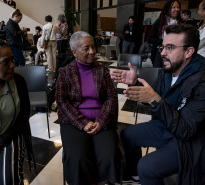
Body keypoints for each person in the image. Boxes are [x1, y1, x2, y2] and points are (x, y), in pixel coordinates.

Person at [111, 24, 205, 185]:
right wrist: (135, 83)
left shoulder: (201, 81)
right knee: (127, 135)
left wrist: (155, 99)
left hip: (188, 141)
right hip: (165, 125)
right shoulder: (168, 69)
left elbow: (186, 130)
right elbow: (153, 96)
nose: (162, 53)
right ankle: (134, 177)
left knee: (147, 167)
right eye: (163, 47)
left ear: (189, 52)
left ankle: (143, 174)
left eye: (170, 48)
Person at [55, 31, 119, 185]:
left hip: (100, 119)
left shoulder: (102, 70)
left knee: (109, 154)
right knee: (78, 157)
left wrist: (101, 121)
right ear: (74, 52)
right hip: (74, 121)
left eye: (93, 47)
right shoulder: (65, 72)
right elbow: (62, 101)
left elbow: (111, 97)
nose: (92, 51)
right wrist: (83, 123)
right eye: (86, 48)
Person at [0, 34, 34, 184]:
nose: (12, 65)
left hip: (10, 135)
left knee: (7, 179)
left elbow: (23, 118)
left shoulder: (19, 82)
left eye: (12, 59)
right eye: (6, 62)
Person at [147, 0, 182, 67]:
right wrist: (164, 42)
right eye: (173, 7)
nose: (176, 9)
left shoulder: (180, 22)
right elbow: (150, 39)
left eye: (178, 7)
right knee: (159, 73)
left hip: (176, 54)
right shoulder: (161, 21)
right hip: (160, 53)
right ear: (168, 8)